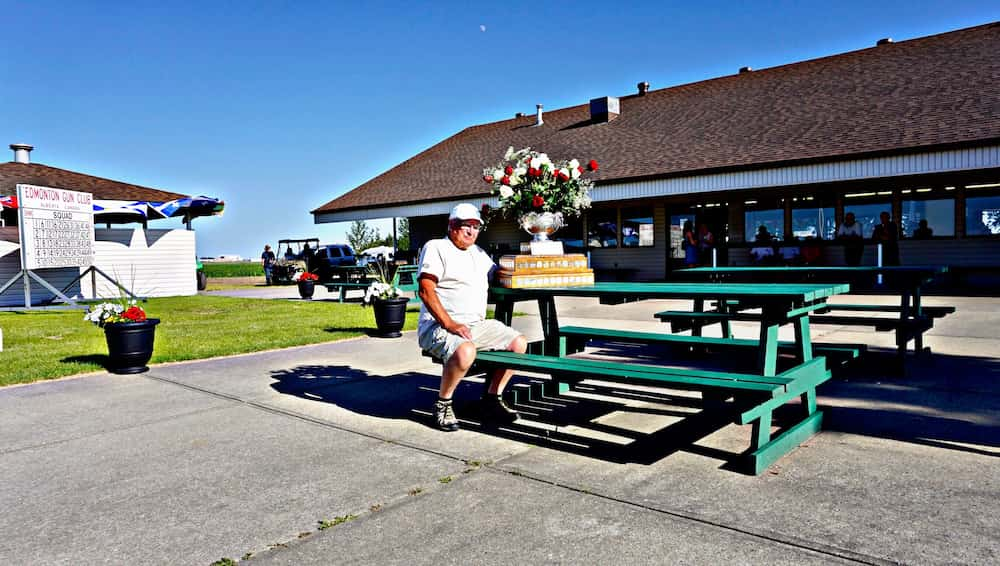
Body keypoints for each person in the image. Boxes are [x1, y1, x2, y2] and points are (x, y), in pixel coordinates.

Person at [417, 203, 528, 432]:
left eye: (476, 226)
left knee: (518, 343)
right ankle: (443, 404)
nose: (471, 231)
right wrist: (449, 323)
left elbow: (497, 274)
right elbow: (426, 290)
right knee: (466, 350)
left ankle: (491, 399)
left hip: (475, 325)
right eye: (465, 225)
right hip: (439, 325)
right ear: (451, 225)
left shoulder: (478, 253)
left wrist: (529, 268)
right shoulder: (436, 247)